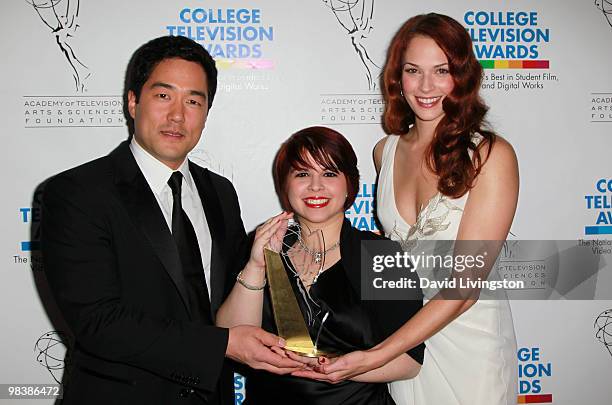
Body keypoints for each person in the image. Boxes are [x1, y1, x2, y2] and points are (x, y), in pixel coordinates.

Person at [41, 35, 303, 405]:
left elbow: (231, 302)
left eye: (194, 101)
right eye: (163, 96)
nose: (178, 115)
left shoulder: (220, 193)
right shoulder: (78, 192)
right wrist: (225, 344)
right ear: (133, 102)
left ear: (207, 113)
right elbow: (98, 322)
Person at [295, 13, 520, 405]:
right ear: (398, 78)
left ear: (462, 77)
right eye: (414, 70)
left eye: (442, 70)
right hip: (402, 343)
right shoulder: (386, 151)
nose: (427, 86)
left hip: (468, 342)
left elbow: (464, 288)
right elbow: (388, 255)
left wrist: (374, 356)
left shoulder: (490, 155)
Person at [215, 126, 425, 404]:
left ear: (350, 184)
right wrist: (256, 265)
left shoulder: (380, 256)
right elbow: (232, 338)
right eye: (302, 174)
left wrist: (348, 369)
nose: (316, 186)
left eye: (329, 174)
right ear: (284, 184)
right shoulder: (261, 244)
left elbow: (410, 362)